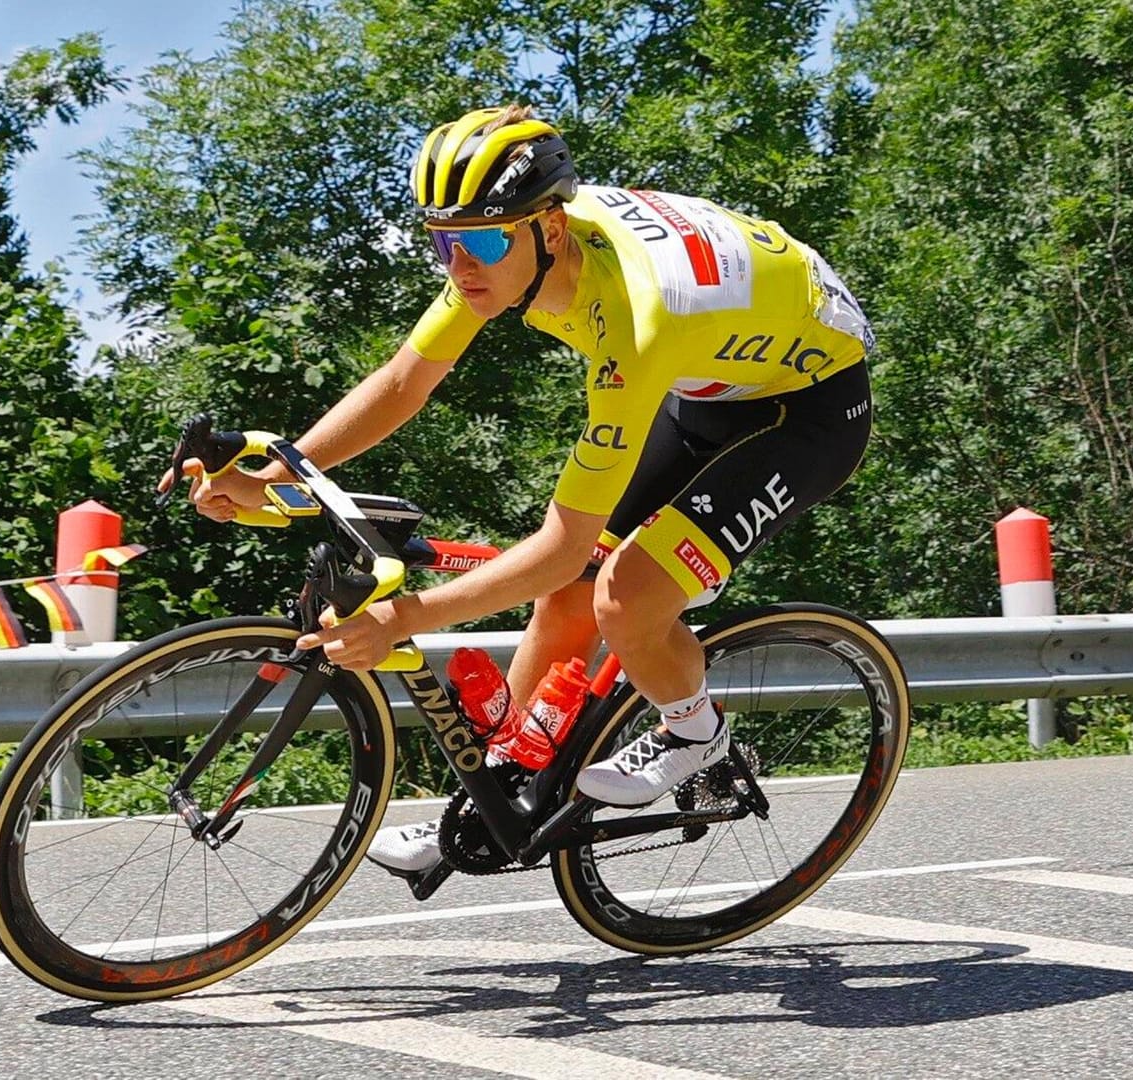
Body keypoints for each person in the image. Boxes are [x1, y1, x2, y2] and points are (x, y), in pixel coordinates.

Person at [160, 105, 875, 876]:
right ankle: (498, 802)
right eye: (443, 243)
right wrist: (274, 472)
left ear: (550, 231)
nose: (460, 267)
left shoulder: (636, 319)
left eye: (482, 244)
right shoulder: (502, 247)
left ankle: (695, 731)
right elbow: (405, 382)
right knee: (563, 598)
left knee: (623, 598)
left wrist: (406, 618)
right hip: (712, 379)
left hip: (811, 407)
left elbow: (560, 547)